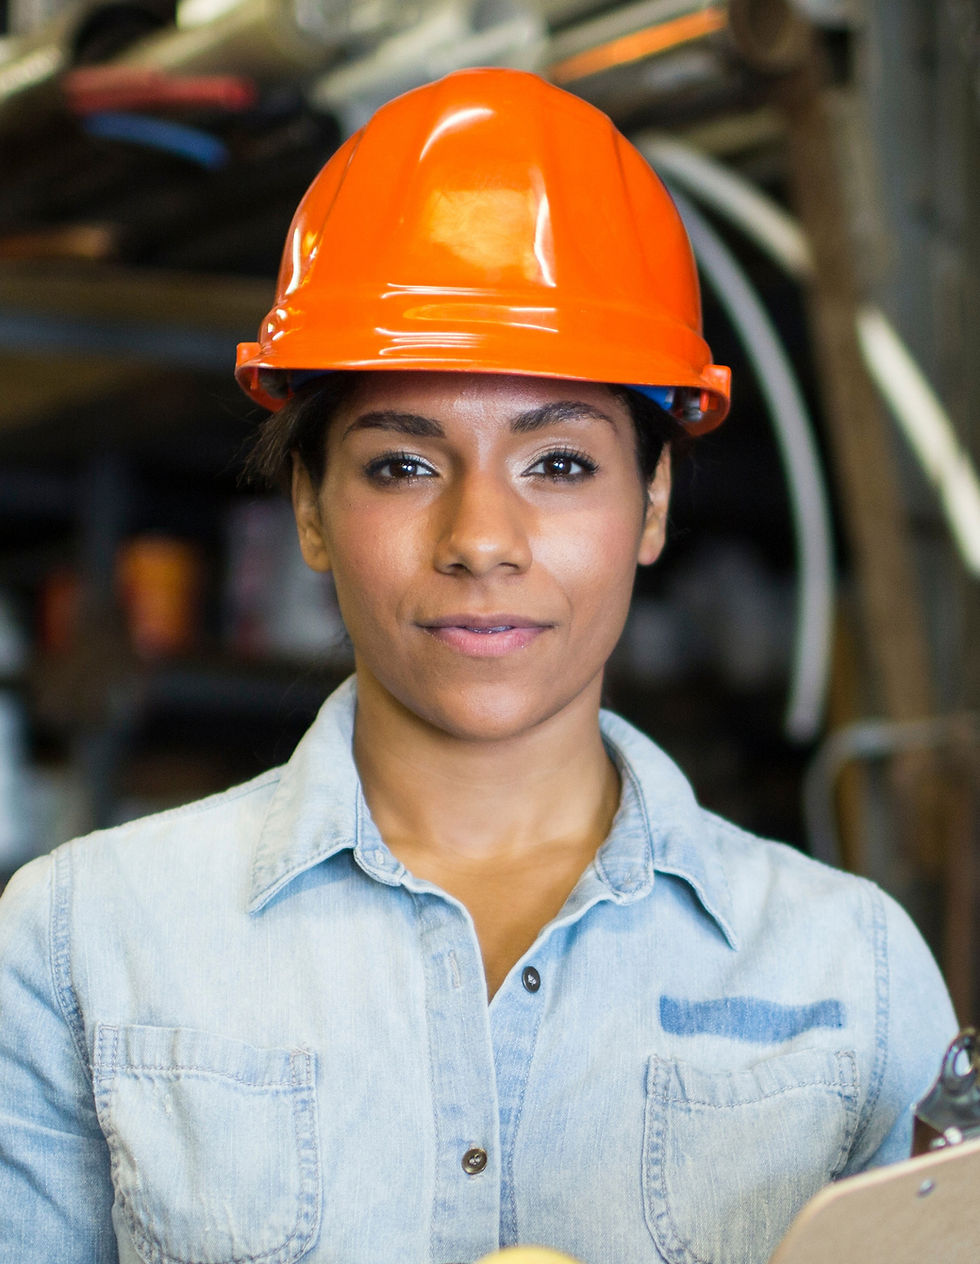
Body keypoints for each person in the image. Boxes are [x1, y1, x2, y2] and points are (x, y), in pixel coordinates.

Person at [0, 67, 957, 1264]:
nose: (481, 540)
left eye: (558, 464)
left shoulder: (850, 972)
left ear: (653, 501)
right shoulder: (85, 941)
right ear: (309, 509)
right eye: (403, 464)